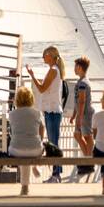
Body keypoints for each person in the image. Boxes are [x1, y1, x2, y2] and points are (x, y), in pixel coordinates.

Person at [26, 45, 65, 182]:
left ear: (51, 56)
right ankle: (57, 172)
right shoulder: (53, 70)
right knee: (53, 142)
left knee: (53, 143)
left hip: (53, 111)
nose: (43, 58)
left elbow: (42, 88)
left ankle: (56, 174)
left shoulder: (53, 71)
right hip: (51, 110)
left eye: (44, 55)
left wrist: (32, 75)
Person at [9, 85, 46, 196]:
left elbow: (14, 131)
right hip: (35, 149)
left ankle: (24, 187)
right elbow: (42, 128)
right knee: (32, 147)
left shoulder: (12, 114)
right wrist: (39, 141)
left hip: (16, 149)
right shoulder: (37, 113)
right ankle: (34, 166)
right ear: (31, 98)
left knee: (22, 149)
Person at [70, 57, 94, 178]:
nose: (74, 69)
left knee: (87, 137)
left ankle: (89, 161)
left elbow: (82, 101)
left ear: (79, 67)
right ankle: (88, 160)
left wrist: (79, 117)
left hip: (85, 114)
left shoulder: (83, 83)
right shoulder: (81, 81)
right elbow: (77, 101)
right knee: (78, 135)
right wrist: (74, 115)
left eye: (75, 66)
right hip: (81, 114)